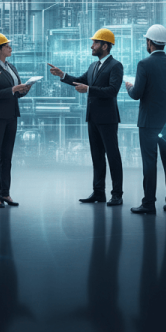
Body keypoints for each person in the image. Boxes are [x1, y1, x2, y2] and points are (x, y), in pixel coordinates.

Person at [48, 28, 124, 206]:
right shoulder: (93, 66)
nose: (92, 46)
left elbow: (113, 91)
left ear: (105, 46)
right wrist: (63, 75)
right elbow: (80, 80)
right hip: (93, 118)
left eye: (95, 43)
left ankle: (117, 194)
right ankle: (98, 193)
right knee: (97, 156)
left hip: (107, 119)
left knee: (112, 156)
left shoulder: (116, 66)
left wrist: (89, 89)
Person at [125, 24, 166, 215]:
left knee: (150, 163)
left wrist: (129, 87)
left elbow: (136, 94)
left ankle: (149, 203)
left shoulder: (144, 64)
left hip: (148, 123)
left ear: (149, 42)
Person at [0, 33, 31, 209]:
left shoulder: (11, 67)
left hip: (11, 116)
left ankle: (5, 193)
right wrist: (12, 90)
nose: (10, 47)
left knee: (7, 157)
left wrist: (24, 90)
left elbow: (14, 92)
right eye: (7, 45)